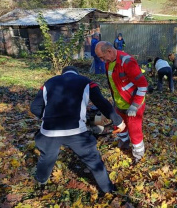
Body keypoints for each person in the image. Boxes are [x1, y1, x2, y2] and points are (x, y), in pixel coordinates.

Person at [30, 66, 125, 194]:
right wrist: (118, 121)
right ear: (77, 73)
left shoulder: (49, 82)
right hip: (76, 132)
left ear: (62, 74)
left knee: (47, 157)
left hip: (49, 131)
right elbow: (102, 103)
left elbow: (35, 107)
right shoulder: (86, 82)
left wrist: (47, 117)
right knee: (93, 159)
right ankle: (108, 190)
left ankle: (41, 183)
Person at [95, 41, 148, 163]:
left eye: (102, 57)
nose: (102, 61)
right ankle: (123, 143)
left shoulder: (127, 62)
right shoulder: (109, 63)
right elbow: (115, 85)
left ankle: (138, 155)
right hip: (119, 103)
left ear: (109, 51)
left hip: (133, 104)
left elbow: (143, 85)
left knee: (134, 131)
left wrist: (135, 106)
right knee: (119, 126)